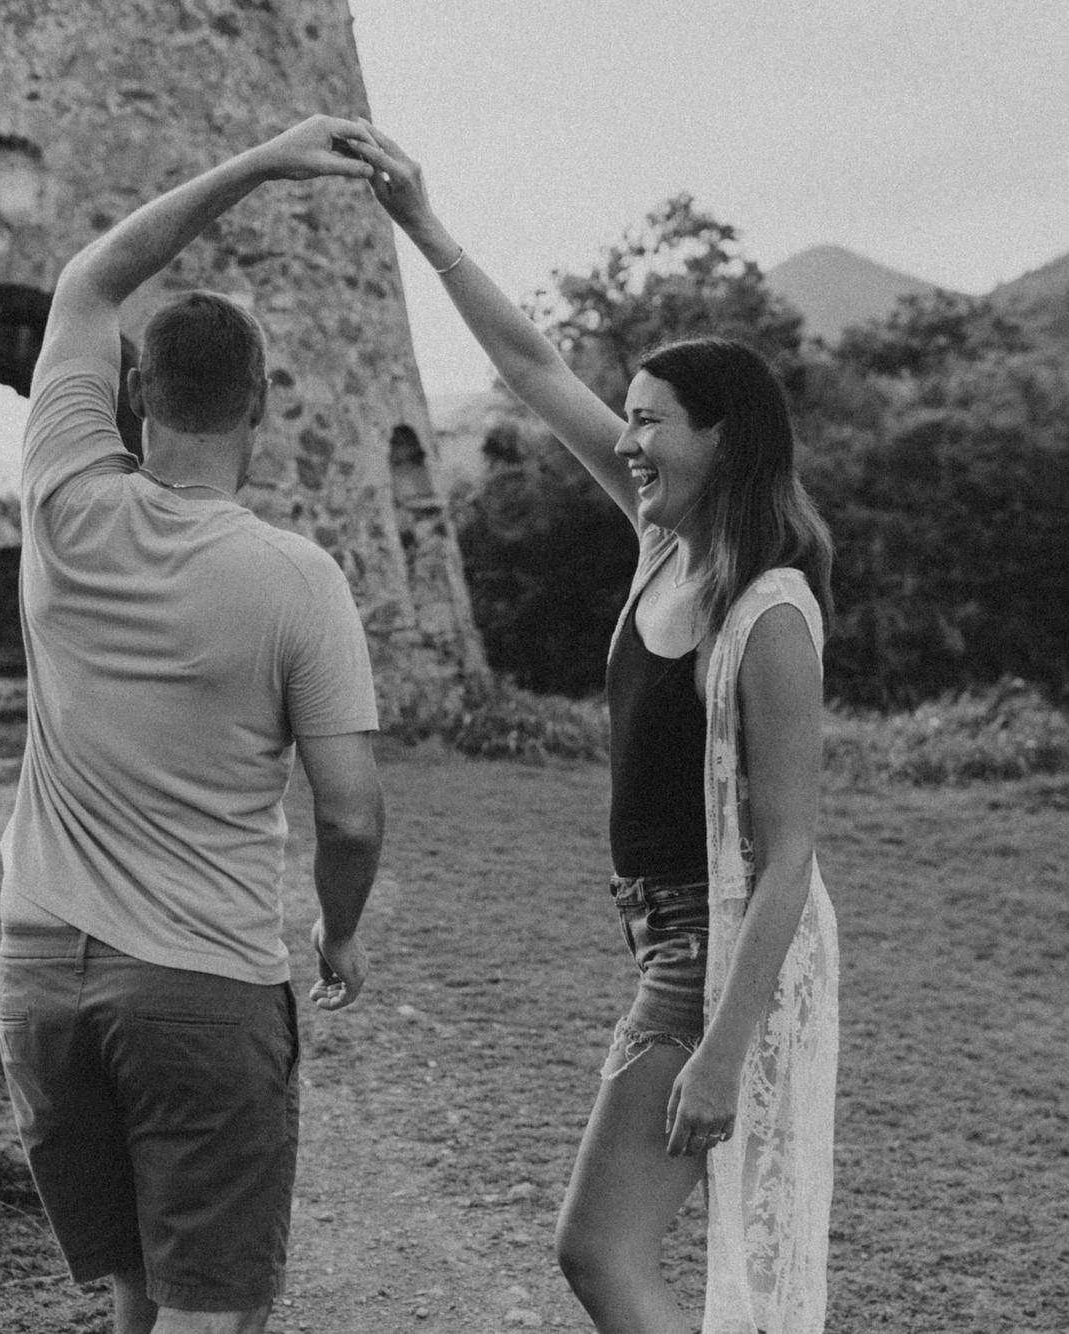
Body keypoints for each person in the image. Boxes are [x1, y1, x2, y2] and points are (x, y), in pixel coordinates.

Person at [350, 124, 838, 1334]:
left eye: (648, 420)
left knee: (598, 1249)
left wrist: (720, 1048)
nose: (623, 440)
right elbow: (529, 364)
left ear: (720, 436)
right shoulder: (657, 543)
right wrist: (422, 225)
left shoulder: (769, 607)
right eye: (622, 417)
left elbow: (789, 853)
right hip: (661, 935)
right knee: (602, 1249)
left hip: (711, 950)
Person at [0, 116, 386, 1334]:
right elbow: (350, 814)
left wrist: (261, 159)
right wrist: (337, 929)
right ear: (257, 404)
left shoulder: (64, 498)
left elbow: (89, 280)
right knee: (213, 1310)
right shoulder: (296, 577)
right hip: (200, 982)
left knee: (135, 1292)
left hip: (38, 975)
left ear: (132, 395)